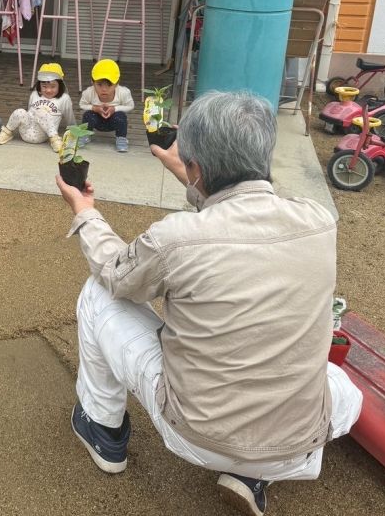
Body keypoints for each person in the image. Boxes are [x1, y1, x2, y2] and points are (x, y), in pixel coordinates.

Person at [56, 91, 363, 516]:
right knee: (343, 388)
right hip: (296, 445)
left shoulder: (177, 237)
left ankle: (102, 428)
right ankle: (256, 472)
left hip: (196, 436)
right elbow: (248, 204)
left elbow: (115, 272)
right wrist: (187, 170)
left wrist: (85, 210)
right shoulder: (318, 220)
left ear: (197, 168)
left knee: (97, 293)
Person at [0, 62, 75, 152]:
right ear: (39, 85)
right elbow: (29, 113)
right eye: (44, 86)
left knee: (41, 112)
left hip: (45, 134)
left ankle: (55, 140)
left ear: (60, 85)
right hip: (26, 132)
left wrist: (74, 131)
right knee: (20, 111)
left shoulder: (64, 98)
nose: (48, 90)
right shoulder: (34, 94)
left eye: (53, 86)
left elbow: (69, 117)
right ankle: (6, 133)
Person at [78, 59, 134, 153]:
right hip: (96, 120)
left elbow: (130, 106)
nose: (104, 89)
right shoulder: (88, 92)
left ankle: (121, 138)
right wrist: (94, 108)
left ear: (116, 83)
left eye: (109, 85)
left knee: (121, 116)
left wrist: (115, 109)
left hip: (114, 120)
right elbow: (82, 104)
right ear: (93, 82)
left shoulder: (124, 92)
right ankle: (85, 134)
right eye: (99, 85)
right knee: (88, 115)